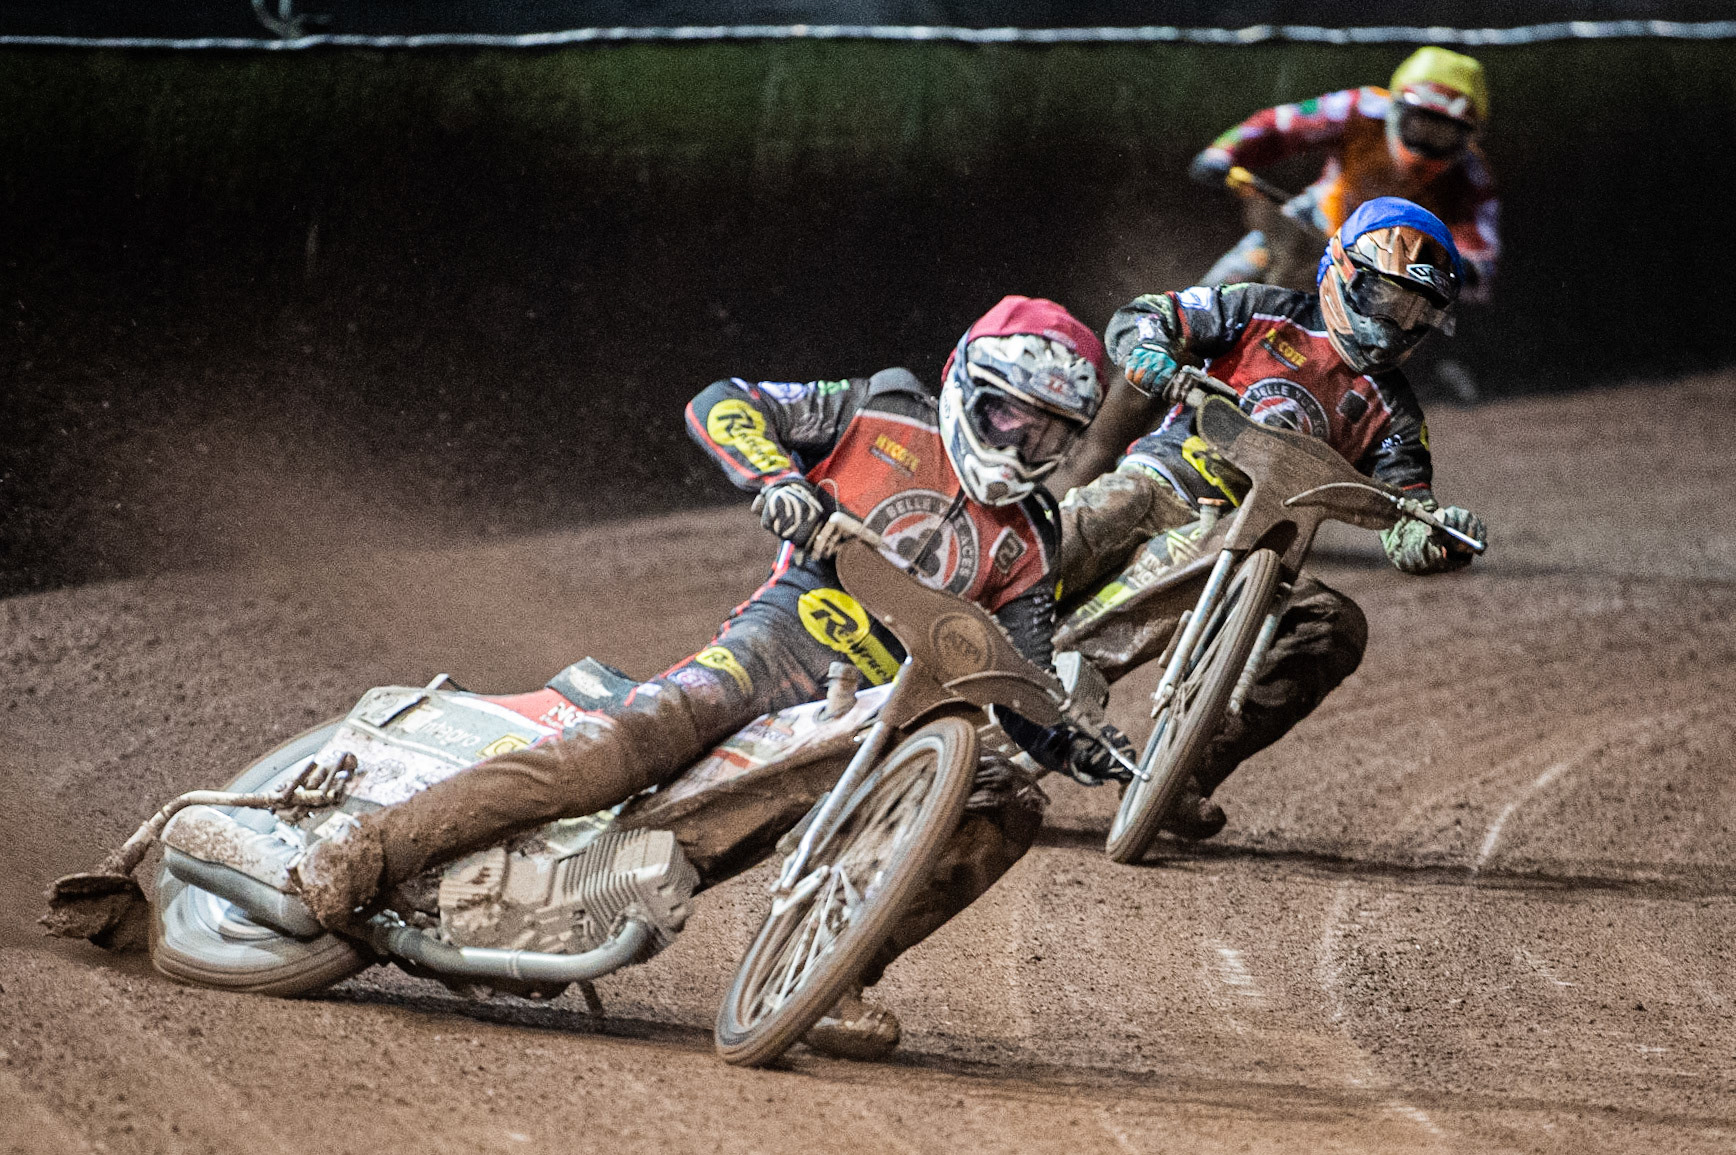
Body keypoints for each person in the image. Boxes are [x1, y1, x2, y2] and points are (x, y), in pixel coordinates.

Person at [292, 295, 1113, 1059]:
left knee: (1006, 808)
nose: (1016, 443)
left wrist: (1078, 741)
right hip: (787, 638)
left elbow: (1022, 676)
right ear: (966, 383)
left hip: (890, 716)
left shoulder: (1035, 538)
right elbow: (725, 400)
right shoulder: (879, 408)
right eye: (1005, 413)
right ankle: (366, 849)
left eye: (1045, 433)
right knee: (630, 747)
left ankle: (836, 976)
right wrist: (779, 478)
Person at [1055, 197, 1488, 837]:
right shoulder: (1260, 310)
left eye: (1417, 313)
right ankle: (920, 632)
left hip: (1261, 549)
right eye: (1387, 299)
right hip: (1163, 483)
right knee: (1091, 516)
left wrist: (1429, 537)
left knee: (1333, 626)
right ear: (1342, 273)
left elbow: (1404, 506)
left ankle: (1184, 773)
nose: (1396, 324)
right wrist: (1153, 354)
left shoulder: (1395, 416)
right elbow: (1151, 315)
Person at [1190, 46, 1498, 302]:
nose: (1426, 145)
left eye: (1443, 134)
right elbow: (1282, 125)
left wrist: (1445, 267)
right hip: (1311, 224)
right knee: (1221, 287)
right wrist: (1224, 152)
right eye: (1419, 125)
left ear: (1468, 137)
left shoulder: (1473, 177)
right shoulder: (1362, 108)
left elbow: (1481, 259)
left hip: (1375, 276)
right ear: (1396, 109)